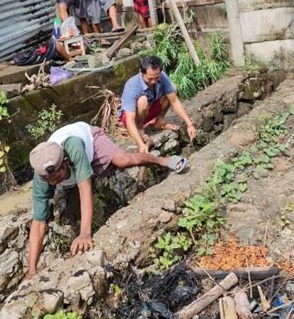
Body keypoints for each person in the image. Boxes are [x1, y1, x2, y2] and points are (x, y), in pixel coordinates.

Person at [26, 121, 188, 278]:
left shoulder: (74, 147)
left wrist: (84, 234)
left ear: (65, 163)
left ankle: (163, 161)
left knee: (123, 161)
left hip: (90, 140)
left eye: (57, 177)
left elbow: (85, 189)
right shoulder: (41, 175)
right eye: (50, 180)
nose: (54, 182)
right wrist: (31, 270)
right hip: (71, 164)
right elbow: (39, 223)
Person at [119, 56, 197, 153]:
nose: (154, 81)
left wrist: (189, 124)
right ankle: (139, 128)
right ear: (141, 72)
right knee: (142, 100)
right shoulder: (132, 86)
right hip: (132, 117)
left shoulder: (162, 76)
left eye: (157, 78)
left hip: (148, 110)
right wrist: (140, 144)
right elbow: (129, 120)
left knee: (173, 88)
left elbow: (174, 101)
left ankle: (160, 120)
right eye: (150, 78)